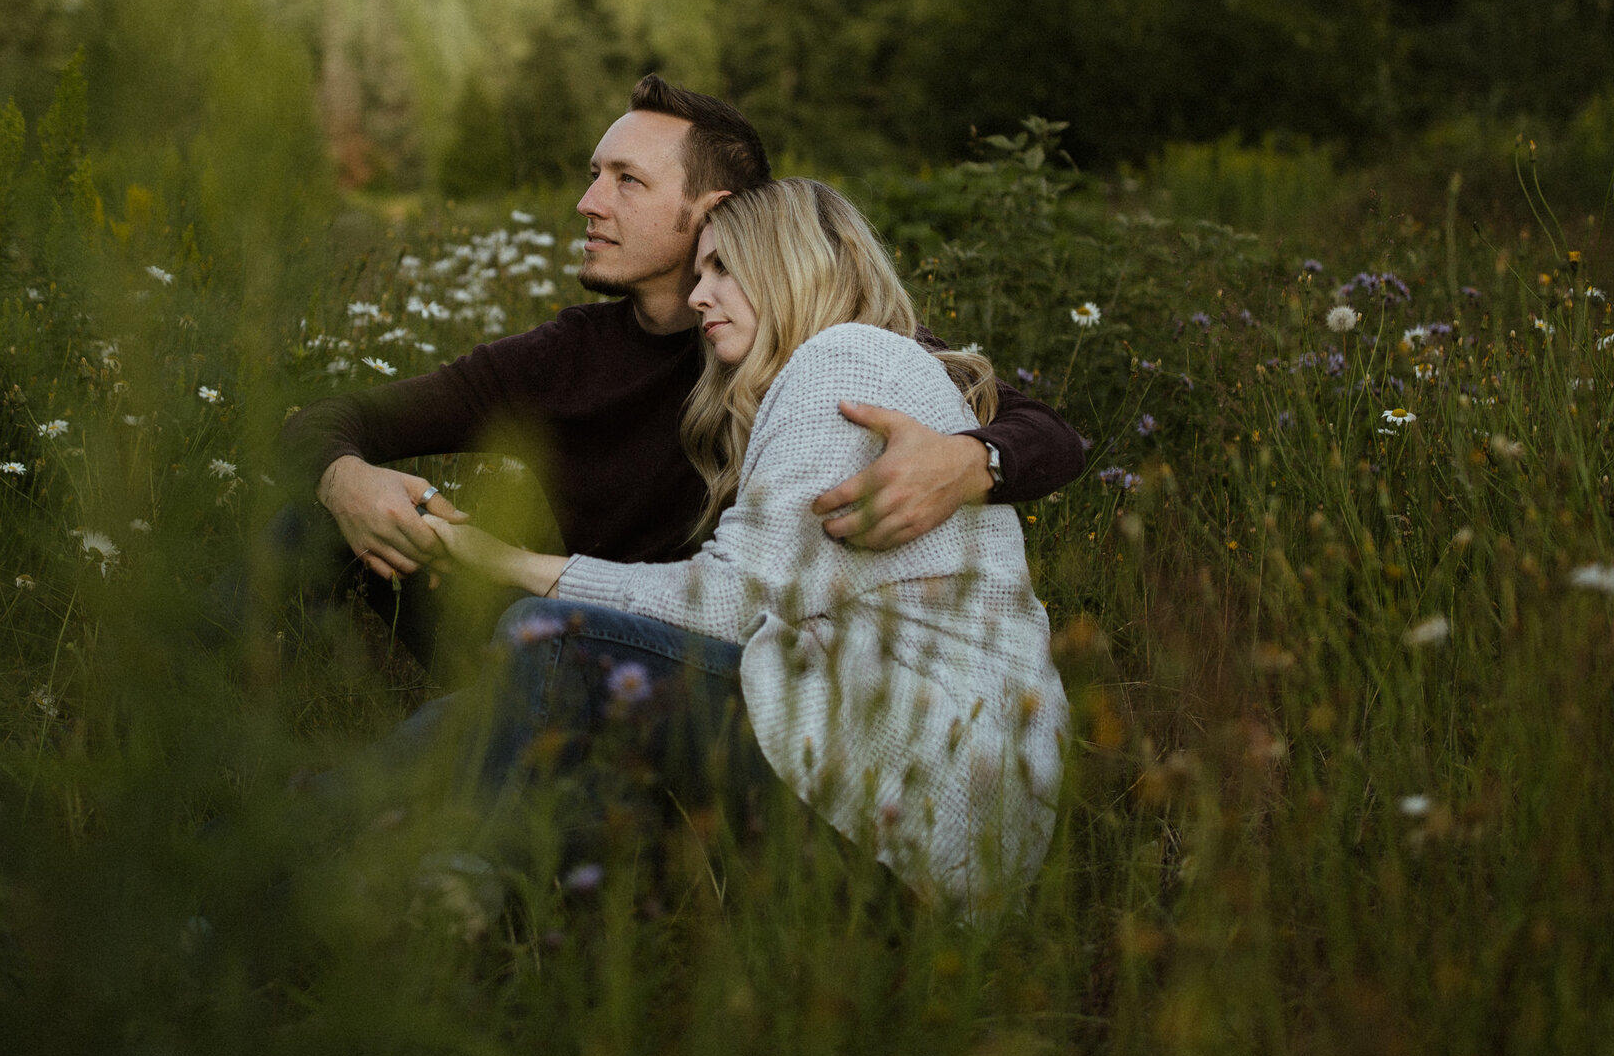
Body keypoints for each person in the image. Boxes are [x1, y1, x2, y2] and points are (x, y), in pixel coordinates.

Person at [282, 74, 1086, 672]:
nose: (588, 202)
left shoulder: (817, 342)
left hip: (718, 665)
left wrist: (968, 459)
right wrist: (345, 479)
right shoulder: (562, 357)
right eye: (595, 173)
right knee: (320, 520)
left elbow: (1048, 433)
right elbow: (326, 418)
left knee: (537, 644)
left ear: (713, 210)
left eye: (626, 180)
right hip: (565, 629)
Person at [429, 179, 1071, 908]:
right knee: (594, 782)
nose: (699, 295)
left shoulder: (847, 359)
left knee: (549, 643)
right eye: (698, 272)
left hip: (927, 783)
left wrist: (509, 563)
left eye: (722, 268)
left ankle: (448, 903)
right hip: (931, 785)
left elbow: (731, 603)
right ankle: (443, 874)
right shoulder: (844, 367)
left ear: (790, 263)